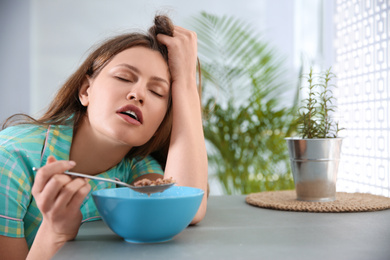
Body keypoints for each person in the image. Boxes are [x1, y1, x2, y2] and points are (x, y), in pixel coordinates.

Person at [0, 15, 208, 259]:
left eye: (157, 91)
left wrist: (186, 83)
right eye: (123, 77)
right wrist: (55, 231)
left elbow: (184, 208)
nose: (138, 94)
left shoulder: (135, 166)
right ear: (86, 90)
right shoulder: (11, 159)